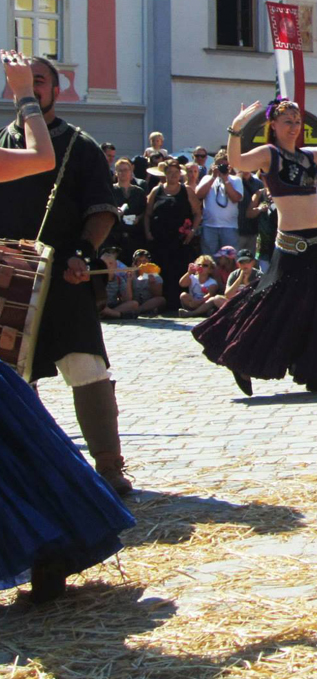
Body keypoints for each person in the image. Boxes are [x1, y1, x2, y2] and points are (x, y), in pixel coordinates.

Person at [0, 51, 134, 603]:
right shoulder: (11, 140)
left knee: (84, 369)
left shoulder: (75, 144)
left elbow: (101, 208)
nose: (33, 87)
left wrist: (84, 249)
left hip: (62, 276)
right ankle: (47, 528)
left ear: (57, 87)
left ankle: (108, 468)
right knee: (16, 395)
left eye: (41, 80)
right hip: (8, 278)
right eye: (26, 82)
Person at [193, 97, 317, 395]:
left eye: (297, 122)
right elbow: (237, 162)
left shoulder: (309, 156)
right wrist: (235, 129)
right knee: (275, 304)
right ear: (273, 125)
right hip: (292, 245)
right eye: (288, 122)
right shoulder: (269, 155)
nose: (294, 127)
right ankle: (239, 356)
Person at [145, 157, 201, 312]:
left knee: (179, 270)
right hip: (160, 239)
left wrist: (193, 231)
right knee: (161, 271)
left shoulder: (186, 190)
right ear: (165, 174)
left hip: (180, 240)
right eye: (170, 172)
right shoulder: (157, 191)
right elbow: (148, 214)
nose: (173, 175)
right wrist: (148, 232)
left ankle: (178, 304)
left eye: (176, 172)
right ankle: (161, 303)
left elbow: (197, 213)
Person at [195, 149, 243, 256]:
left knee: (230, 259)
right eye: (219, 165)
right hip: (209, 226)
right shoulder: (207, 178)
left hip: (229, 227)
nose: (222, 168)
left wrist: (225, 179)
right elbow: (198, 195)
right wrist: (213, 177)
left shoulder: (235, 180)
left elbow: (236, 198)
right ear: (214, 165)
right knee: (209, 258)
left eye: (225, 165)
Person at [109, 157, 147, 263]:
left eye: (125, 170)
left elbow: (145, 211)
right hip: (116, 234)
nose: (123, 173)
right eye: (120, 170)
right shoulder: (111, 191)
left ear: (131, 172)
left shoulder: (139, 191)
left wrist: (139, 218)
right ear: (116, 173)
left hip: (135, 234)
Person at [99, 247, 139, 320]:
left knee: (134, 304)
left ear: (115, 266)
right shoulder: (97, 279)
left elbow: (127, 299)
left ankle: (110, 314)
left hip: (113, 306)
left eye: (110, 263)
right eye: (104, 264)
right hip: (101, 306)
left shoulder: (118, 279)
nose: (107, 266)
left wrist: (128, 281)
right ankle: (118, 315)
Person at [129, 248, 167, 316]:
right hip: (134, 301)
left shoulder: (155, 275)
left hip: (149, 302)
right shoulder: (130, 274)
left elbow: (158, 295)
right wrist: (129, 280)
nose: (142, 263)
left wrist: (152, 284)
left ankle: (138, 310)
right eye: (139, 261)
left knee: (161, 300)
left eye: (144, 261)